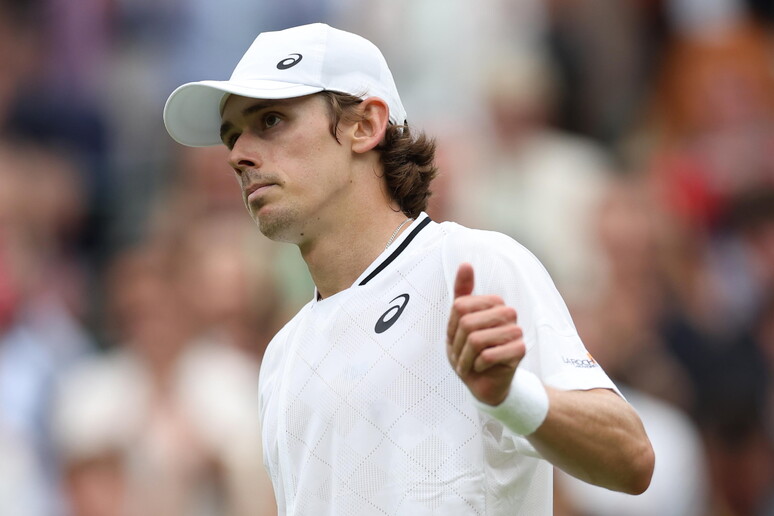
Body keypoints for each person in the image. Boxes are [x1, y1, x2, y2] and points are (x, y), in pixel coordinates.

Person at [162, 22, 654, 515]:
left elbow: (631, 460)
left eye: (269, 120)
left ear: (365, 125)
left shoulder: (472, 264)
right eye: (232, 136)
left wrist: (512, 397)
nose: (238, 156)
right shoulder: (281, 358)